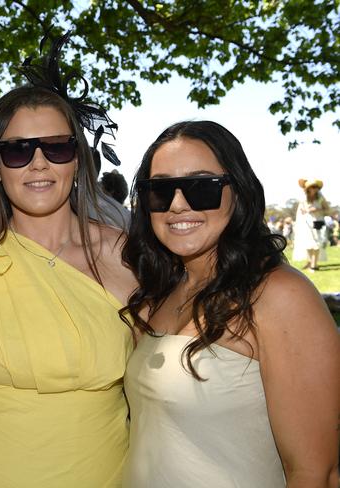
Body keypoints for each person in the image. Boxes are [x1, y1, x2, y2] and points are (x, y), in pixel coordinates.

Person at [0, 34, 138, 487]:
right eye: (16, 150)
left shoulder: (128, 257)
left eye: (56, 147)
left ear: (78, 161)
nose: (37, 163)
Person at [120, 121, 339, 487]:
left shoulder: (278, 295)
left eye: (201, 187)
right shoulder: (159, 290)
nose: (177, 204)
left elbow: (315, 472)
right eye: (159, 190)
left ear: (238, 192)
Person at [293, 178, 330, 270]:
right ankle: (310, 262)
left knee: (317, 243)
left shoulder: (321, 198)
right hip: (306, 223)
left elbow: (327, 210)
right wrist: (305, 210)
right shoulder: (304, 199)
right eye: (312, 187)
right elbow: (301, 210)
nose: (314, 189)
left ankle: (314, 265)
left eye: (316, 187)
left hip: (318, 222)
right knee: (308, 244)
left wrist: (317, 209)